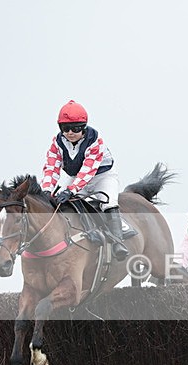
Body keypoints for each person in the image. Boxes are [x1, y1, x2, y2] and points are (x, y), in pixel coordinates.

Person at [40, 100, 129, 261]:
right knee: (58, 203)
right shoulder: (57, 142)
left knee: (108, 203)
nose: (70, 132)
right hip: (75, 177)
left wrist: (70, 190)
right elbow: (51, 167)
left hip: (102, 176)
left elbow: (88, 170)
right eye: (65, 128)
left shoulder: (95, 140)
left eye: (76, 128)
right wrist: (46, 191)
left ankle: (118, 242)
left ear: (84, 127)